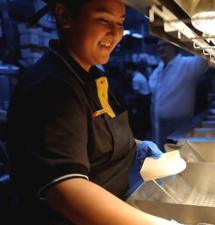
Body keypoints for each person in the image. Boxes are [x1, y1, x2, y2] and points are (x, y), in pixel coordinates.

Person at [6, 0, 182, 224]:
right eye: (103, 19)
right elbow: (67, 190)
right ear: (65, 16)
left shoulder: (91, 77)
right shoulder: (51, 87)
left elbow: (97, 138)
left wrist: (136, 148)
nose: (116, 33)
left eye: (120, 22)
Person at [149, 40, 209, 150]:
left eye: (164, 45)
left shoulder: (187, 64)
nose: (160, 49)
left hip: (180, 124)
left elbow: (204, 60)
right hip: (159, 123)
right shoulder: (159, 68)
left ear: (174, 47)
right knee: (163, 155)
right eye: (158, 46)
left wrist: (201, 38)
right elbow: (152, 87)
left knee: (179, 156)